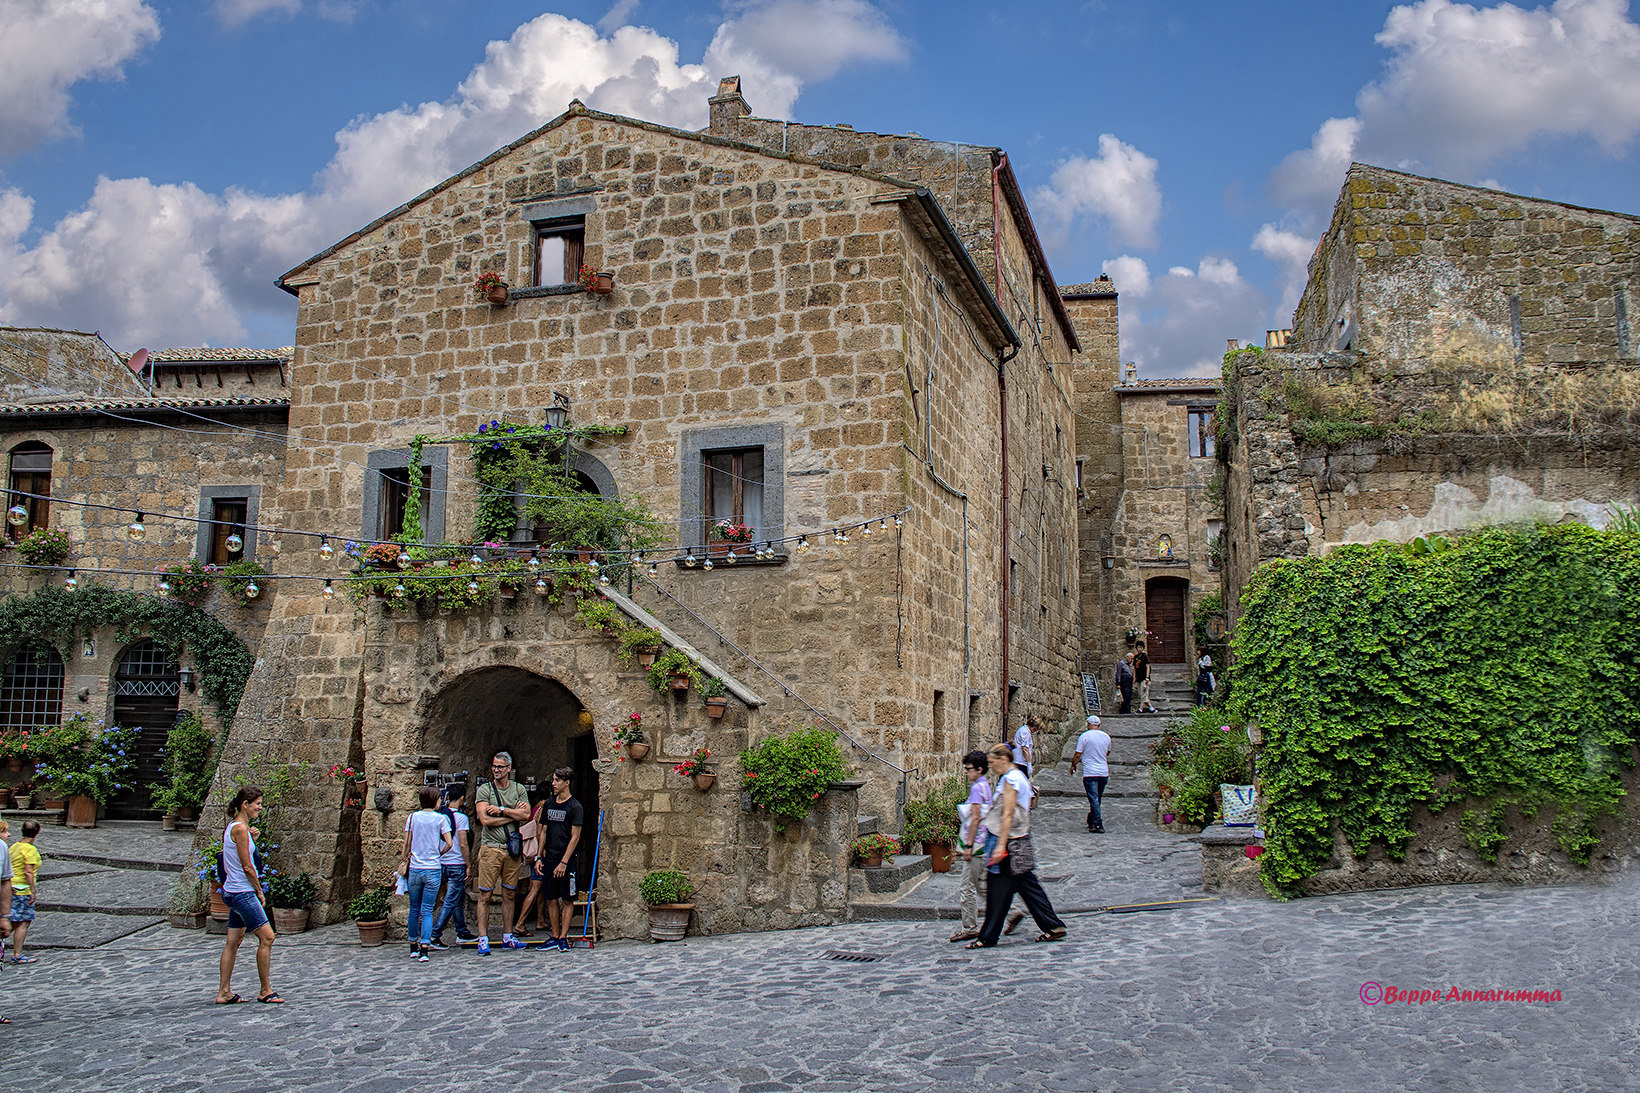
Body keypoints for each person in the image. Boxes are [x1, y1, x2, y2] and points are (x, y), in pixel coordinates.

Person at [967, 745, 1066, 948]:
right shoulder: (1016, 777)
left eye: (993, 763)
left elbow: (1008, 814)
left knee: (999, 889)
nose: (991, 767)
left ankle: (988, 937)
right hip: (1016, 841)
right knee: (1025, 887)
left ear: (1003, 759)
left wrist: (1000, 845)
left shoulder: (1011, 780)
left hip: (1010, 843)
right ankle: (1053, 926)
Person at [215, 787, 281, 1004]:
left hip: (231, 892)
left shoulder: (236, 828)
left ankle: (224, 992)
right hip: (243, 892)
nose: (260, 807)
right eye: (258, 804)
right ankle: (265, 990)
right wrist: (259, 891)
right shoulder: (241, 829)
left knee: (233, 941)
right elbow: (247, 866)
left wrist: (253, 838)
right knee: (267, 937)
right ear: (245, 804)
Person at [474, 750, 532, 953]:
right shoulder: (485, 790)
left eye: (500, 767)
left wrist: (501, 810)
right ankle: (483, 938)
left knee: (509, 893)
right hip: (491, 848)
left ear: (509, 769)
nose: (496, 770)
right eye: (494, 766)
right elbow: (485, 820)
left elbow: (526, 814)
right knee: (486, 895)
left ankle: (508, 936)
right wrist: (512, 815)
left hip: (512, 849)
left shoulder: (518, 789)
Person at [400, 785, 452, 962]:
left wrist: (403, 859)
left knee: (414, 909)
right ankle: (424, 948)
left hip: (415, 867)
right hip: (433, 868)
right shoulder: (440, 819)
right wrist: (439, 854)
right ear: (436, 801)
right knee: (427, 910)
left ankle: (412, 946)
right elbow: (449, 843)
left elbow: (406, 843)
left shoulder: (412, 817)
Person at [536, 766, 584, 952]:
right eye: (553, 780)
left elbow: (575, 837)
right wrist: (539, 857)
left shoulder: (575, 807)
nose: (553, 783)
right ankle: (555, 936)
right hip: (550, 858)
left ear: (567, 782)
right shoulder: (548, 805)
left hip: (568, 860)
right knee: (550, 898)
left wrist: (564, 862)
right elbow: (544, 831)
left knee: (567, 899)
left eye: (557, 780)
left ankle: (564, 936)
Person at [948, 750, 992, 943]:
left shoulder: (976, 788)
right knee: (982, 884)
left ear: (979, 769)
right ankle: (1009, 912)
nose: (966, 772)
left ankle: (969, 926)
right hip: (985, 842)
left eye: (969, 769)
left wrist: (968, 845)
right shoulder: (986, 786)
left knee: (967, 887)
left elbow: (975, 817)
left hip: (976, 844)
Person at [429, 783, 475, 948]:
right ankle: (434, 935)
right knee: (450, 900)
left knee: (457, 899)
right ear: (462, 798)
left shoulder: (440, 815)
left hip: (442, 862)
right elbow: (463, 844)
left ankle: (461, 931)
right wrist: (468, 864)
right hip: (456, 863)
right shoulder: (461, 818)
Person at [511, 792, 549, 939]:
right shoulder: (543, 810)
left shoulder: (534, 809)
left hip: (536, 854)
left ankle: (540, 920)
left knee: (539, 888)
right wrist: (541, 854)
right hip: (540, 855)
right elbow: (540, 833)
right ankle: (520, 923)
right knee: (535, 888)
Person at [1069, 714, 1112, 833]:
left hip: (1090, 772)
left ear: (1088, 724)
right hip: (1103, 772)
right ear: (1099, 725)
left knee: (1093, 798)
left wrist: (1073, 765)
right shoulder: (1106, 736)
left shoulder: (1084, 736)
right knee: (1097, 798)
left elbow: (1078, 754)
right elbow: (1107, 752)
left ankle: (1098, 823)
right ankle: (1091, 819)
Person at [8, 819, 41, 966]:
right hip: (22, 889)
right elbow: (28, 871)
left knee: (12, 922)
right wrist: (33, 891)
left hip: (10, 887)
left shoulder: (14, 847)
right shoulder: (30, 849)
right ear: (37, 833)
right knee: (23, 922)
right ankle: (17, 954)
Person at [1135, 642, 1155, 713]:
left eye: (1141, 647)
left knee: (1144, 695)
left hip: (1144, 678)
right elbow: (1135, 668)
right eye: (1138, 647)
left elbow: (1148, 666)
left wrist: (1147, 677)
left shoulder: (1145, 656)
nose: (1139, 649)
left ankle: (1140, 709)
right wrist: (1135, 678)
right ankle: (1151, 708)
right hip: (1139, 678)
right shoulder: (1136, 657)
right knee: (1142, 695)